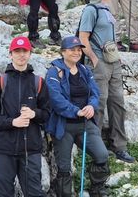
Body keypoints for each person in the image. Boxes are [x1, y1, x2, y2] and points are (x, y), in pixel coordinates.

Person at [0, 36, 52, 197]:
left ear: (30, 53)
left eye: (25, 51)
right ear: (10, 54)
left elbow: (47, 114)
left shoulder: (39, 82)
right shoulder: (0, 82)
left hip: (31, 150)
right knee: (4, 194)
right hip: (3, 149)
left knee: (35, 193)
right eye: (17, 51)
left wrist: (34, 114)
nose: (21, 55)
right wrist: (13, 122)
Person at [77, 0, 136, 164]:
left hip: (113, 61)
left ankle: (119, 146)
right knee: (99, 102)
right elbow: (82, 38)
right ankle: (97, 146)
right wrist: (94, 59)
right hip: (99, 62)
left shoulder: (106, 9)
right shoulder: (90, 10)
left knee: (117, 102)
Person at [45, 35, 109, 197]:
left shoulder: (85, 70)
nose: (76, 52)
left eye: (79, 50)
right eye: (72, 50)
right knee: (64, 166)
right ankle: (65, 194)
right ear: (63, 52)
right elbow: (55, 99)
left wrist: (91, 106)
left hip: (85, 123)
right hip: (63, 125)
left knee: (101, 154)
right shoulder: (54, 72)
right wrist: (76, 111)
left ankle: (97, 188)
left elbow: (95, 92)